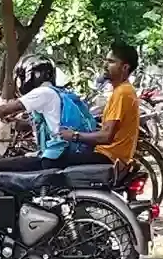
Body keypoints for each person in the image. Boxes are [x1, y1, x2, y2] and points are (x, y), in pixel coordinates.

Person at [59, 41, 144, 174]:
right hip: (112, 156)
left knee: (51, 162)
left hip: (108, 157)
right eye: (105, 60)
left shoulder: (123, 93)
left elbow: (106, 137)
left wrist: (73, 136)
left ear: (125, 67)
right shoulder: (122, 90)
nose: (105, 65)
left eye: (111, 62)